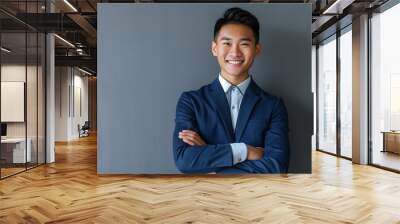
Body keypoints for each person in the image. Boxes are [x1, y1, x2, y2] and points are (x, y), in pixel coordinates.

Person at [172, 7, 290, 174]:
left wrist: (209, 155)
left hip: (258, 197)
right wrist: (245, 151)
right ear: (215, 48)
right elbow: (184, 160)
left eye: (244, 44)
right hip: (204, 198)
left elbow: (277, 167)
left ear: (257, 49)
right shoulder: (191, 101)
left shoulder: (273, 105)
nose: (234, 52)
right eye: (227, 43)